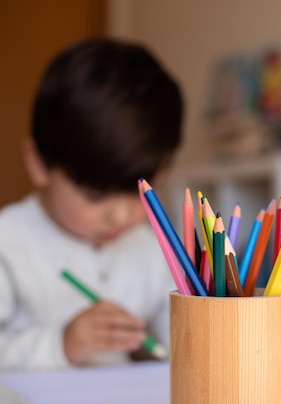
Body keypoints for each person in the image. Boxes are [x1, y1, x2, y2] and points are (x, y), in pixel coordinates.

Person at [0, 39, 183, 371]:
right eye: (96, 196)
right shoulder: (8, 242)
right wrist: (61, 346)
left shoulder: (151, 245)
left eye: (143, 193)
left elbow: (178, 336)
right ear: (39, 164)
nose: (123, 215)